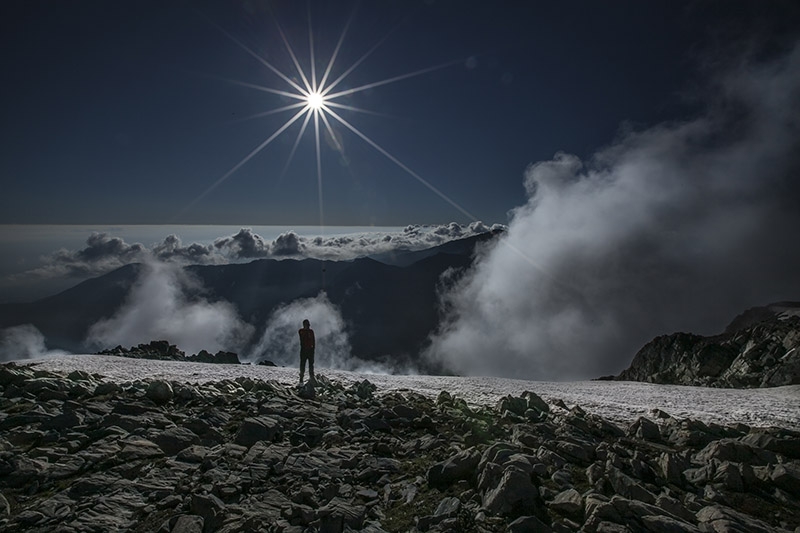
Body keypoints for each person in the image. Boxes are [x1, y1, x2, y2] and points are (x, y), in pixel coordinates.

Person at [298, 319, 315, 384]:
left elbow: (313, 341)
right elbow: (302, 336)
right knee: (303, 365)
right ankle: (301, 379)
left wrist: (313, 350)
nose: (307, 326)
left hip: (310, 350)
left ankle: (311, 378)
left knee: (310, 365)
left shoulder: (311, 332)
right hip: (304, 350)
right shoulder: (302, 331)